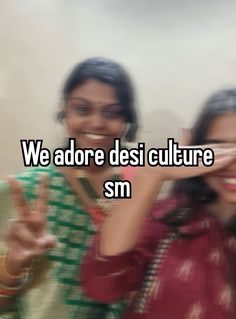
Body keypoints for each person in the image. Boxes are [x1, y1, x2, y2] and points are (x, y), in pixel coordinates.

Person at [0, 57, 138, 319]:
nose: (97, 123)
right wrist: (13, 263)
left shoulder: (137, 189)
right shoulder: (27, 191)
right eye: (83, 109)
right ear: (65, 113)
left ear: (126, 120)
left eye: (112, 112)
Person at [82, 88, 236, 319]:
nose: (232, 162)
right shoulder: (170, 218)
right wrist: (149, 175)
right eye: (218, 147)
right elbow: (101, 285)